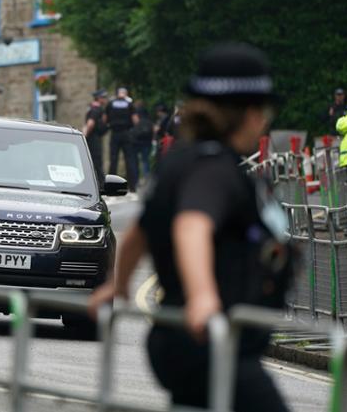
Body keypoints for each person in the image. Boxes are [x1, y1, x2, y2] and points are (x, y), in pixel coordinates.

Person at [89, 43, 291, 412]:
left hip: (180, 342)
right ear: (247, 114)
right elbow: (192, 225)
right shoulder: (216, 170)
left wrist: (117, 288)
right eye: (263, 111)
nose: (264, 121)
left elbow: (141, 232)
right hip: (211, 343)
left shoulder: (181, 160)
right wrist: (202, 296)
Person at [105, 87, 139, 192]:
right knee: (129, 159)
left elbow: (105, 119)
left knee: (113, 160)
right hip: (126, 133)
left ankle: (111, 187)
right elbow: (136, 120)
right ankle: (132, 187)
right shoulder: (130, 105)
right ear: (126, 94)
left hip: (115, 133)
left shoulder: (110, 104)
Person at [84, 89, 109, 188]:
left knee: (93, 160)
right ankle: (101, 185)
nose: (105, 99)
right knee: (96, 161)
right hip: (93, 138)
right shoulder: (96, 109)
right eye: (104, 97)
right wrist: (85, 136)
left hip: (93, 137)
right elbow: (90, 124)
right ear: (99, 99)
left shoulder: (92, 108)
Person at [131, 100, 154, 180]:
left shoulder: (134, 113)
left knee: (135, 162)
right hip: (146, 142)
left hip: (136, 141)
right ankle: (146, 178)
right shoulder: (147, 113)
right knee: (145, 161)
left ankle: (135, 180)